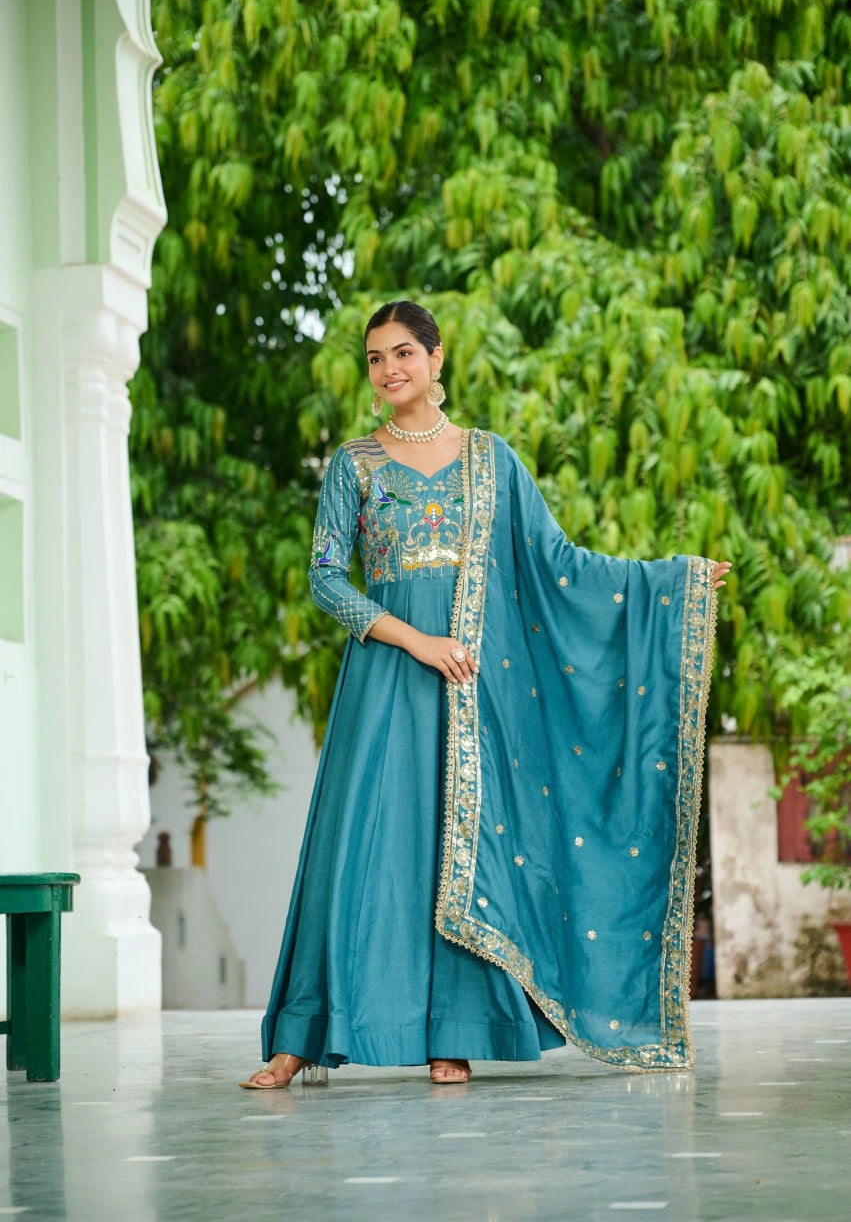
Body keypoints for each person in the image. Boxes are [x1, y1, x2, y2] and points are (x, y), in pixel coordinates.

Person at [241, 300, 731, 1089]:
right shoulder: (353, 464)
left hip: (475, 687)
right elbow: (325, 579)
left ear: (436, 359)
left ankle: (454, 1034)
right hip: (389, 675)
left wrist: (670, 583)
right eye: (374, 358)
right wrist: (416, 640)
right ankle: (300, 1038)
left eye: (403, 352)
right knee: (361, 845)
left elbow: (556, 561)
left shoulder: (490, 458)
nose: (388, 369)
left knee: (465, 850)